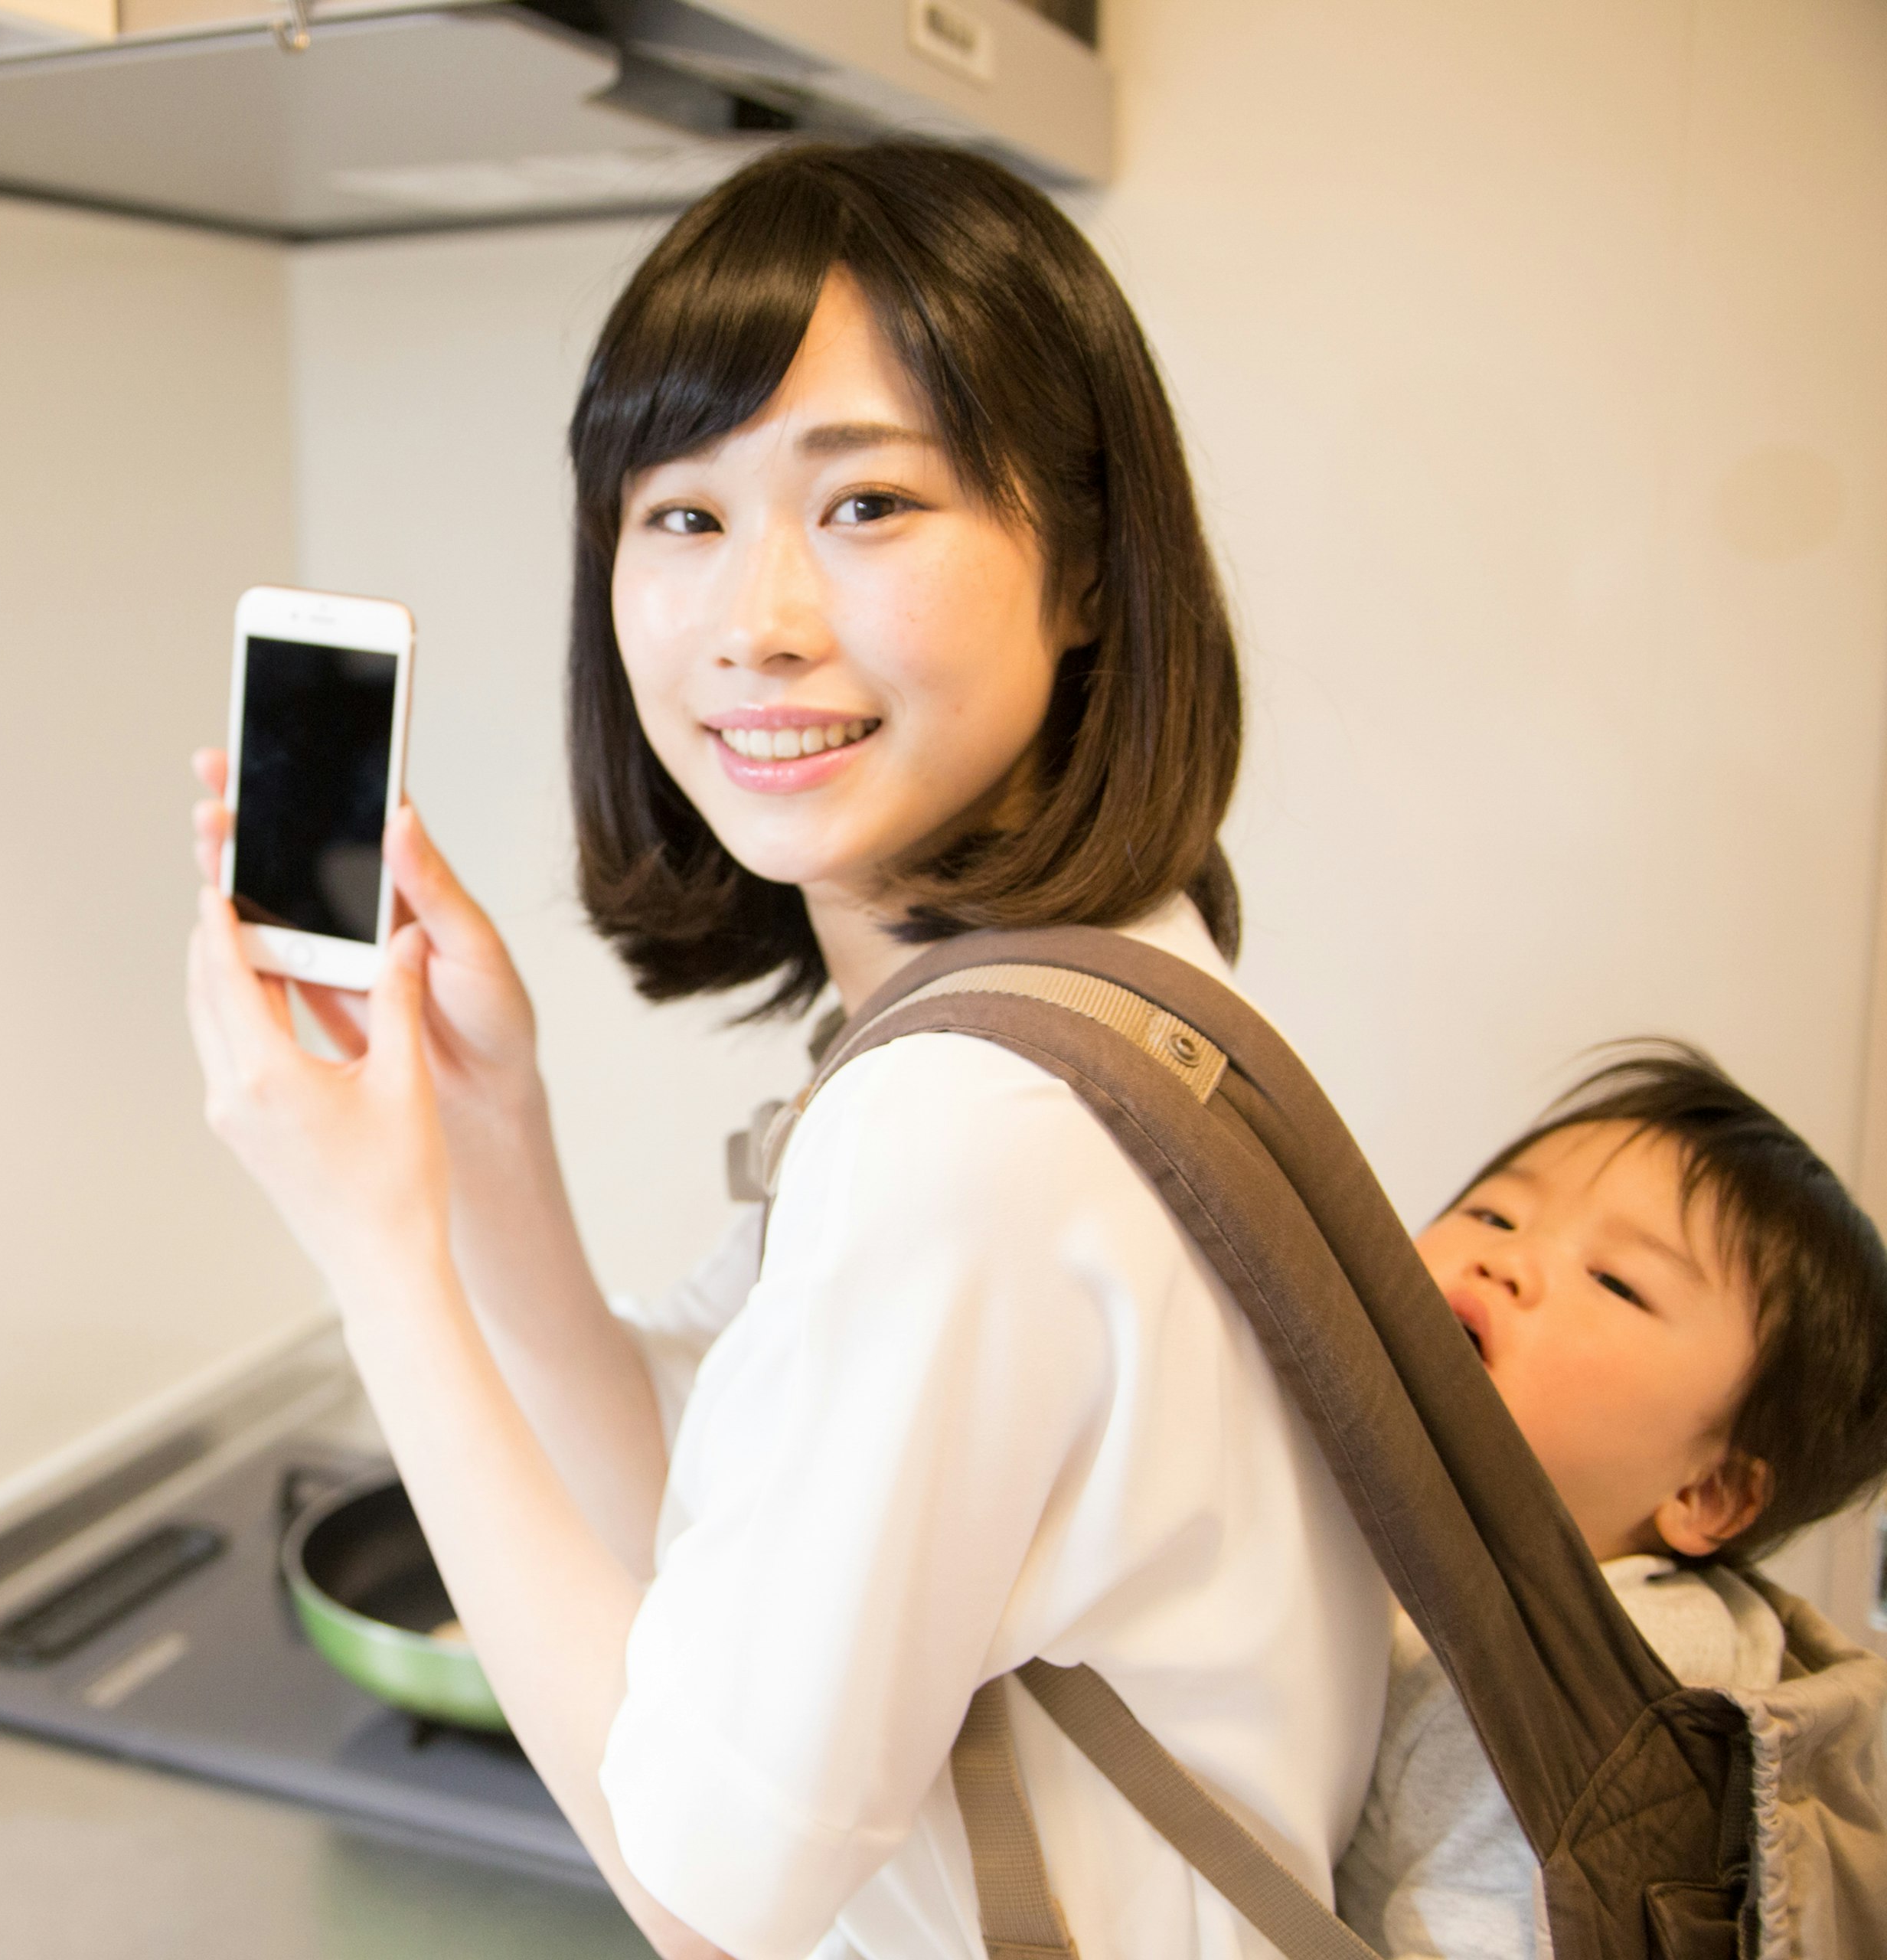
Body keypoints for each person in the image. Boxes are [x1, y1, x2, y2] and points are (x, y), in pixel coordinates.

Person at [184, 140, 1385, 1960]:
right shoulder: (1087, 993)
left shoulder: (967, 1134)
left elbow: (700, 1892)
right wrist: (488, 1141)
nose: (755, 620)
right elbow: (706, 1522)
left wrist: (376, 1256)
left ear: (1082, 568)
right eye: (682, 517)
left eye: (868, 505)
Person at [1337, 1044, 1887, 1958]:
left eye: (1617, 1281)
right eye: (1494, 1211)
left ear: (1708, 1490)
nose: (1506, 1261)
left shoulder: (1568, 1697)